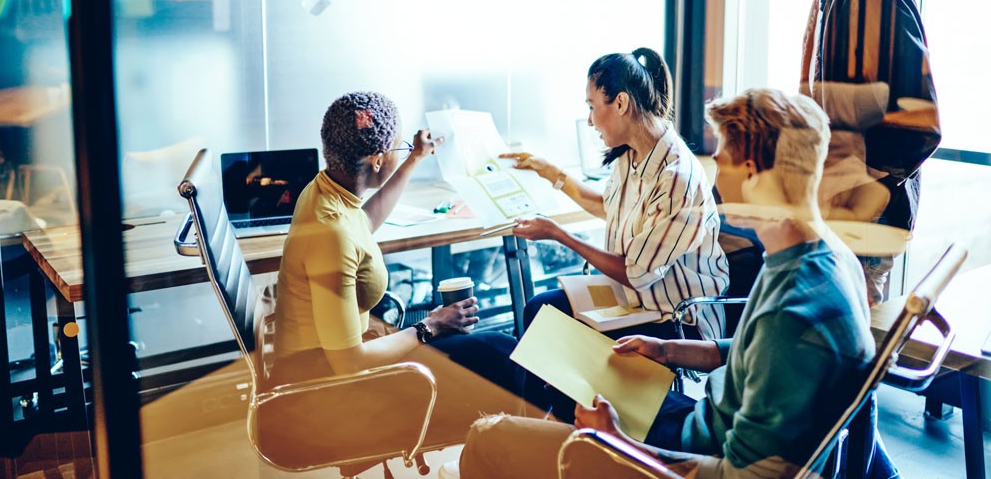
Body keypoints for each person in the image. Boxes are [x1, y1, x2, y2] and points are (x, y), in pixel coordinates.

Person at [460, 88, 886, 479]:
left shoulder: (790, 312)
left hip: (695, 453)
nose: (714, 173)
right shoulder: (826, 258)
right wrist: (667, 349)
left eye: (722, 160)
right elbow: (759, 354)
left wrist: (617, 445)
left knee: (489, 437)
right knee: (574, 371)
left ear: (754, 174)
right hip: (707, 423)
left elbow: (742, 476)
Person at [264, 91, 526, 469]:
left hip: (320, 369)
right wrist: (429, 326)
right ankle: (497, 460)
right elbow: (349, 364)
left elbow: (363, 223)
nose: (403, 152)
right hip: (325, 395)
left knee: (495, 347)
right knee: (504, 359)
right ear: (376, 160)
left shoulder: (324, 193)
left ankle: (498, 453)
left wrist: (414, 159)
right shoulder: (330, 232)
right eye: (399, 148)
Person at [501, 48, 727, 415]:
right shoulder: (632, 155)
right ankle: (542, 428)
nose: (590, 120)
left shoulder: (675, 176)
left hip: (674, 318)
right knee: (539, 310)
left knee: (558, 336)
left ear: (620, 103)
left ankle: (558, 429)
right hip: (636, 300)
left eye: (592, 106)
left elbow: (636, 273)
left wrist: (560, 234)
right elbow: (609, 208)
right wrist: (549, 171)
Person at [755, 0, 940, 304]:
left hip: (865, 223)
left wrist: (851, 185)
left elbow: (921, 128)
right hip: (837, 215)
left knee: (849, 355)